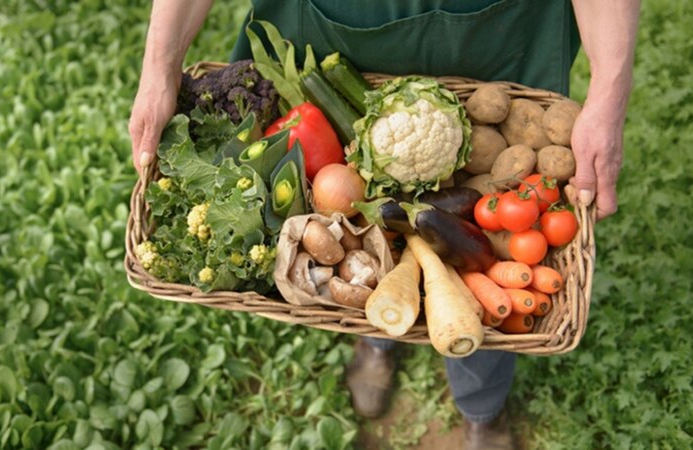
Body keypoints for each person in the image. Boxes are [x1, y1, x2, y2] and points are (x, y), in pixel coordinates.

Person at [129, 1, 640, 447]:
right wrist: (159, 66)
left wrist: (611, 92)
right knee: (377, 250)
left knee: (483, 273)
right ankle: (377, 333)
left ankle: (480, 404)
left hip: (493, 35)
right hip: (333, 27)